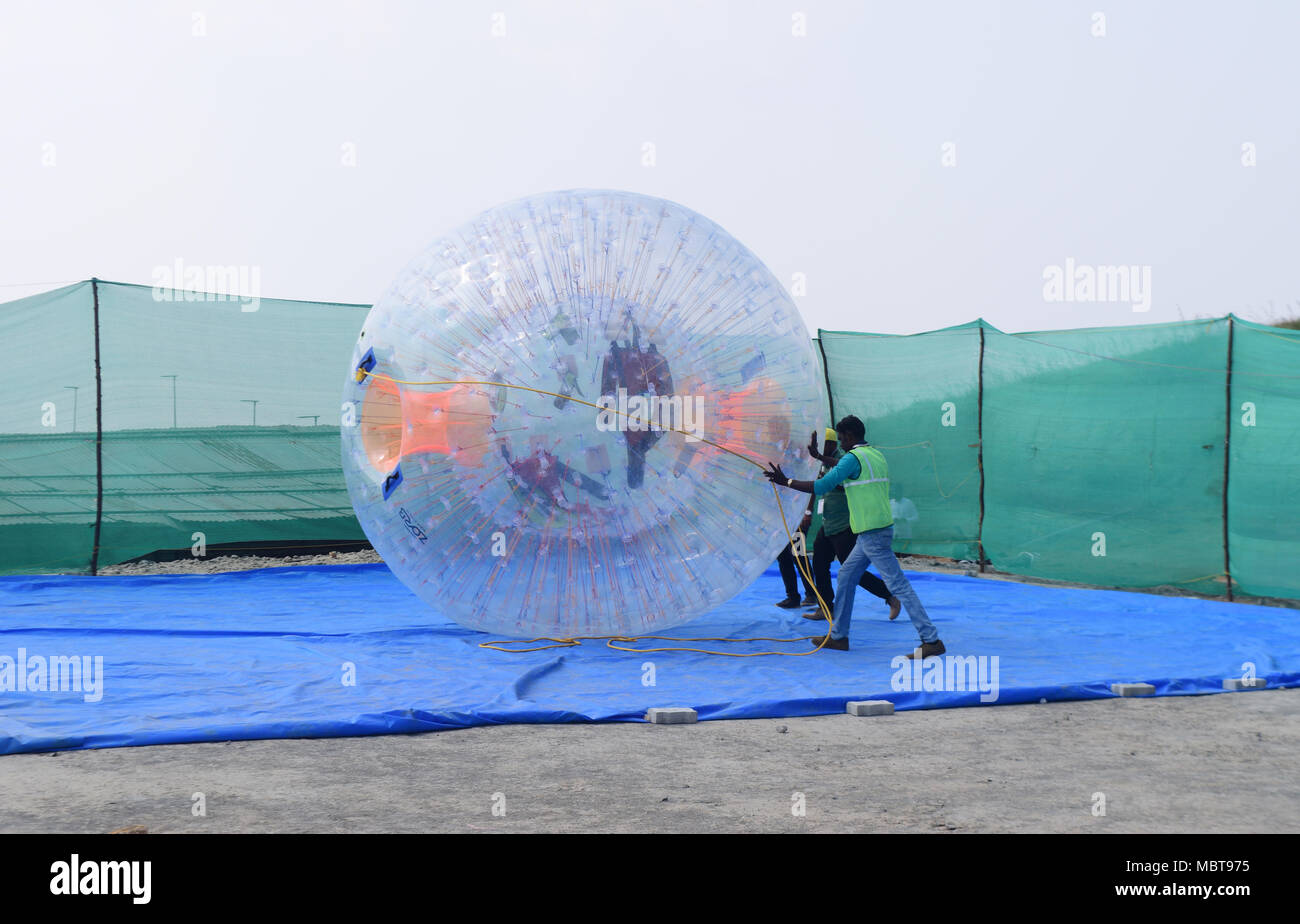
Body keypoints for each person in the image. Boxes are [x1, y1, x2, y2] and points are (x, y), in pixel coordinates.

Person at [764, 415, 945, 658]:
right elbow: (842, 467)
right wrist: (818, 457)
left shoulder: (852, 458)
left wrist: (784, 480)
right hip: (872, 530)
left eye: (841, 439)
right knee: (847, 577)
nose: (840, 444)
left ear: (849, 436)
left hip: (872, 532)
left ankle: (930, 639)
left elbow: (821, 486)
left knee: (898, 584)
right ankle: (839, 636)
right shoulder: (874, 454)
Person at [805, 428, 901, 622]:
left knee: (850, 569)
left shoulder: (845, 458)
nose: (840, 443)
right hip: (829, 522)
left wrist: (823, 476)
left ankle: (889, 594)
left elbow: (841, 483)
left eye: (826, 443)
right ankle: (826, 607)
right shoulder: (823, 462)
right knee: (819, 563)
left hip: (844, 524)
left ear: (831, 444)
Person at [774, 510, 816, 608]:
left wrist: (807, 512)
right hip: (782, 520)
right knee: (783, 557)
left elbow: (810, 493)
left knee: (799, 557)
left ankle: (811, 594)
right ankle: (792, 597)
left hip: (797, 517)